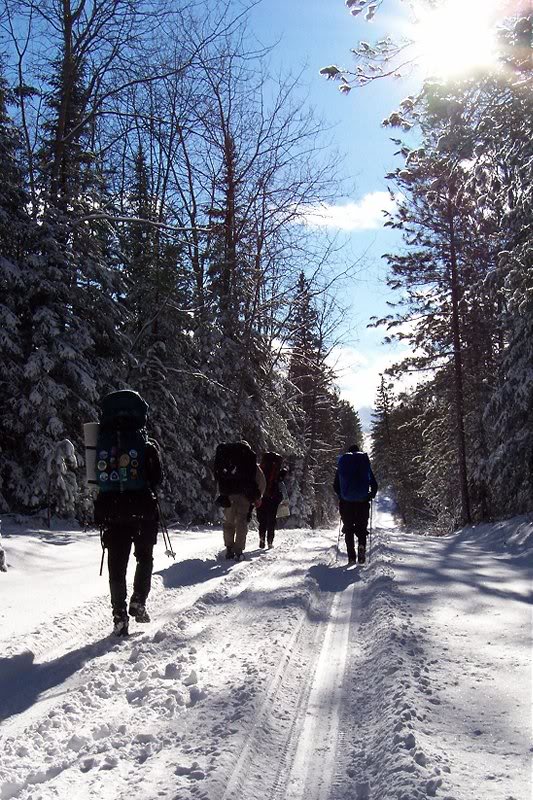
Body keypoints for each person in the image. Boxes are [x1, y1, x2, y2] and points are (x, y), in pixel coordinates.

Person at [93, 390, 162, 636]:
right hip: (141, 509)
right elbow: (157, 478)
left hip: (112, 510)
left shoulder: (102, 441)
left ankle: (119, 614)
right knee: (144, 558)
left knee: (117, 565)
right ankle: (138, 600)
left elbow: (94, 478)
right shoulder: (145, 444)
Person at [214, 441, 265, 561]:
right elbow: (261, 481)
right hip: (245, 496)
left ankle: (229, 548)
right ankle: (239, 550)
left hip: (229, 494)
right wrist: (257, 496)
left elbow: (220, 478)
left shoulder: (229, 461)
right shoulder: (251, 464)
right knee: (241, 522)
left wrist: (222, 493)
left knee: (229, 522)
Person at [333, 443, 378, 565]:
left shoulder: (343, 464)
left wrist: (341, 496)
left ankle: (351, 557)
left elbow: (335, 485)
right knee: (361, 528)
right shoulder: (364, 463)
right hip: (362, 501)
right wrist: (371, 495)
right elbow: (374, 484)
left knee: (348, 528)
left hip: (346, 502)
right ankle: (362, 546)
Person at [257, 452, 287, 549]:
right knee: (271, 520)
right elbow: (280, 483)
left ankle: (261, 538)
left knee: (262, 520)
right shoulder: (277, 468)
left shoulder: (262, 468)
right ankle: (270, 541)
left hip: (262, 496)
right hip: (273, 497)